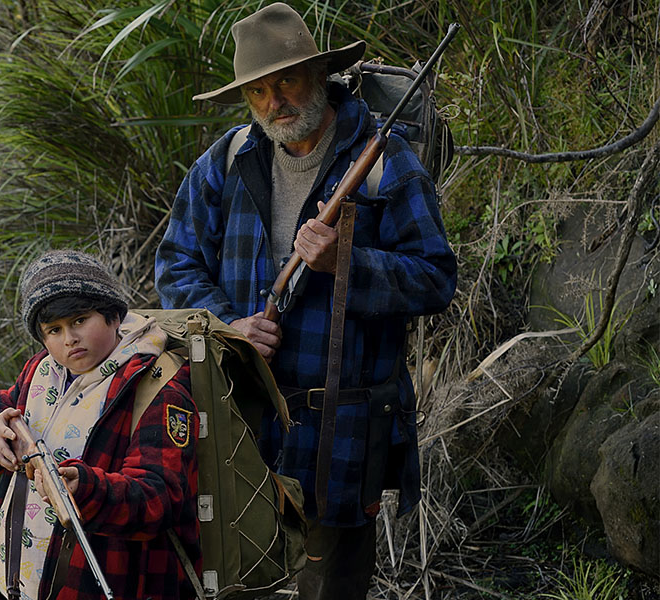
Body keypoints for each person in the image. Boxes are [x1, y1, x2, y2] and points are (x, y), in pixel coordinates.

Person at [153, 3, 457, 599]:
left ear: (319, 76)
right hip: (246, 424)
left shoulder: (384, 162)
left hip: (341, 433)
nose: (275, 103)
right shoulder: (227, 160)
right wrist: (227, 328)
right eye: (259, 91)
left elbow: (436, 278)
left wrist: (348, 262)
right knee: (239, 580)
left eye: (287, 81)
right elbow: (176, 263)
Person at [0, 250, 201, 600]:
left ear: (113, 316)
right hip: (19, 584)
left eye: (79, 320)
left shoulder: (156, 385)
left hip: (114, 582)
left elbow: (159, 499)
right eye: (53, 330)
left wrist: (86, 488)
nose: (69, 338)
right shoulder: (41, 374)